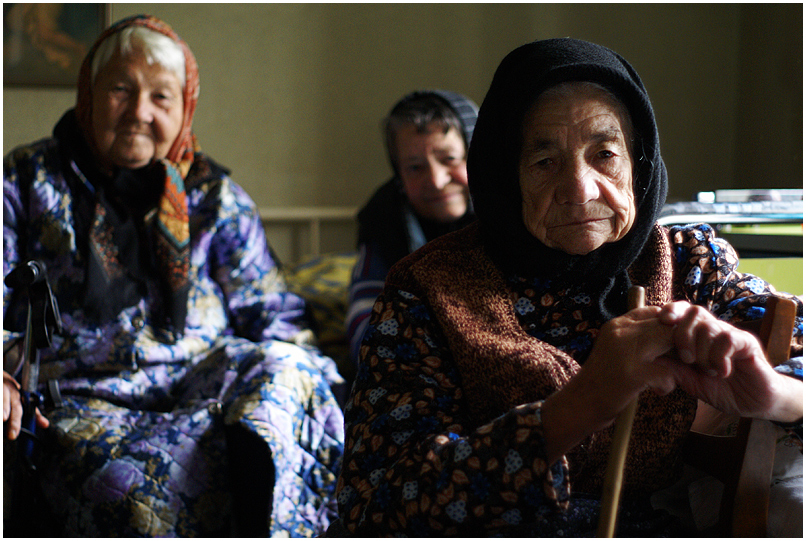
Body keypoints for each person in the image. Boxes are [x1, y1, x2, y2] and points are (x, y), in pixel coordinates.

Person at [332, 38, 803, 536]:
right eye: (544, 162)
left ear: (638, 162)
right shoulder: (428, 288)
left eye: (604, 154)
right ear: (505, 175)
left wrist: (774, 395)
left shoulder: (687, 262)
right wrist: (583, 404)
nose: (579, 189)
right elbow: (375, 504)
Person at [3, 15, 344, 537]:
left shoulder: (211, 194)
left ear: (184, 108)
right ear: (88, 94)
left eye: (161, 98)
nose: (139, 112)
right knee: (130, 490)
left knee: (291, 368)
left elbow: (269, 310)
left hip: (203, 383)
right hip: (83, 394)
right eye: (121, 89)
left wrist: (314, 378)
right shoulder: (27, 180)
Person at [345, 90, 478, 364]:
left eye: (449, 159)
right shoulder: (384, 221)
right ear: (399, 177)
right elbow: (366, 336)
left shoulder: (517, 216)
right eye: (415, 167)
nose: (436, 180)